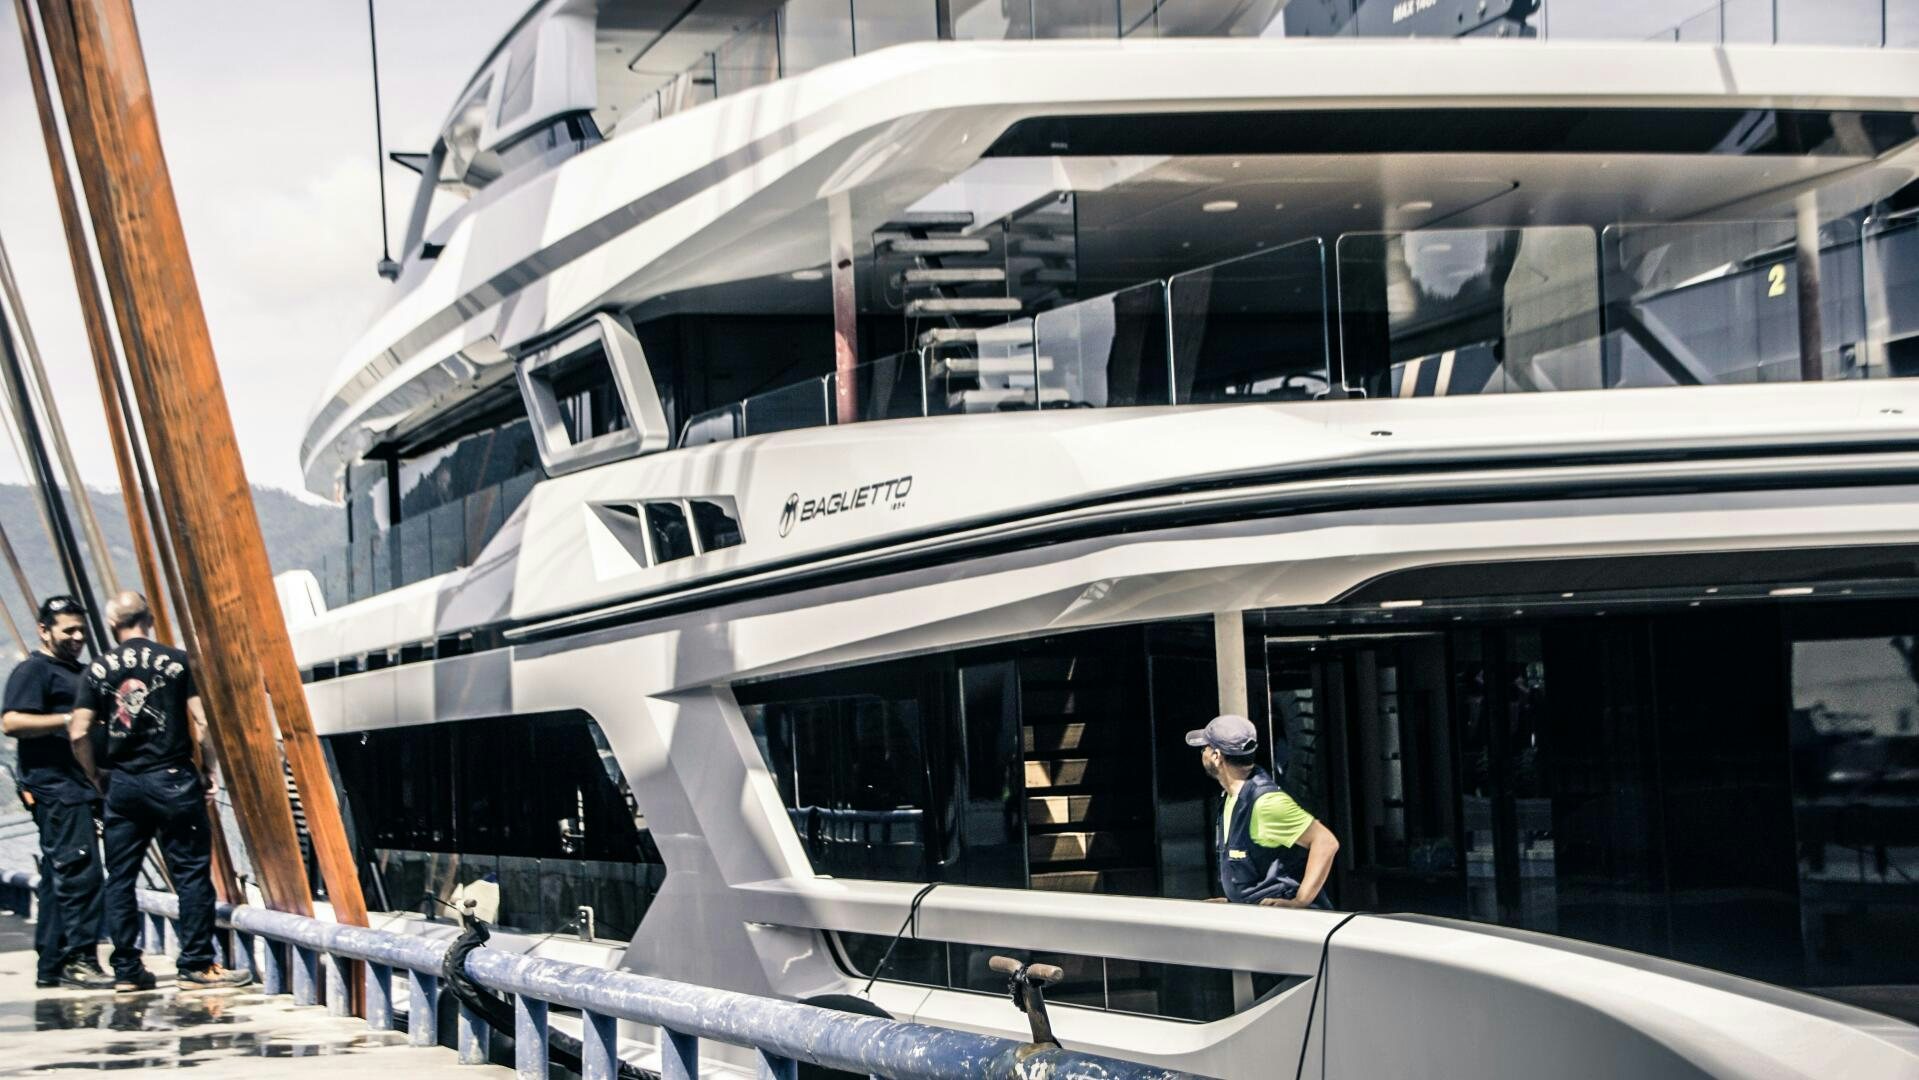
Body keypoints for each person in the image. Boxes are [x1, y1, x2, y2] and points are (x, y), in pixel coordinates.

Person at [68, 592, 249, 991]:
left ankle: (127, 971)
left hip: (123, 785)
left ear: (111, 623)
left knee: (120, 877)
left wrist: (95, 775)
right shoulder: (178, 660)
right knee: (190, 874)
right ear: (149, 617)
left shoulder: (97, 669)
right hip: (173, 780)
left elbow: (78, 730)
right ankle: (197, 965)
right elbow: (202, 723)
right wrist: (206, 770)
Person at [2, 595, 113, 989]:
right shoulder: (34, 670)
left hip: (80, 787)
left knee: (59, 874)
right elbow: (11, 722)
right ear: (44, 630)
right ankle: (79, 959)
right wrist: (68, 719)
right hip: (56, 788)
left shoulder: (78, 672)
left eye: (82, 629)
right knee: (79, 873)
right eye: (68, 630)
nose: (78, 637)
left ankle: (52, 963)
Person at [1188, 713, 1340, 909]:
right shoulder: (1232, 797)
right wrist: (1235, 901)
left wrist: (1300, 901)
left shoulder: (1266, 803)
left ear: (1217, 757)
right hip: (1260, 916)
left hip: (1288, 924)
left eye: (1204, 749)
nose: (1203, 754)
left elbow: (1326, 842)